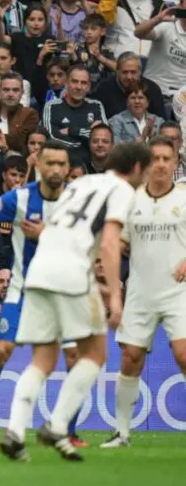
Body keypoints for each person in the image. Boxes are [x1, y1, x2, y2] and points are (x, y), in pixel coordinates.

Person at [0, 142, 151, 462]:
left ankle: (15, 430)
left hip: (39, 270)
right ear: (137, 168)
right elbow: (110, 244)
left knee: (42, 360)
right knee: (95, 354)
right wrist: (115, 295)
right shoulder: (123, 191)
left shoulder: (80, 184)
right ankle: (56, 426)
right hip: (73, 273)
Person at [102, 137, 186, 448]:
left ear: (176, 164)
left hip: (179, 292)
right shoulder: (131, 199)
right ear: (147, 165)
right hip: (140, 291)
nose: (162, 164)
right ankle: (122, 433)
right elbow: (120, 241)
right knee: (130, 357)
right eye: (156, 159)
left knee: (183, 355)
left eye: (168, 158)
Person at [42, 64, 107, 166]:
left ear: (89, 87)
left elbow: (103, 138)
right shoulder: (51, 107)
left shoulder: (96, 105)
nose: (79, 87)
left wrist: (71, 131)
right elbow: (51, 138)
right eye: (74, 81)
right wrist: (87, 138)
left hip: (92, 165)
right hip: (63, 164)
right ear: (66, 83)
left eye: (83, 83)